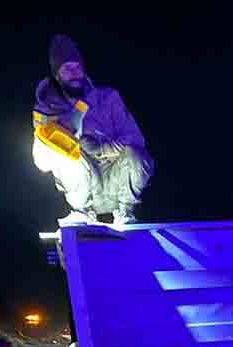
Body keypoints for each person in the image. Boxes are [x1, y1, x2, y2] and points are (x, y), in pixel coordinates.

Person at [32, 34, 153, 226]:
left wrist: (102, 148)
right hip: (83, 187)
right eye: (67, 68)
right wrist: (46, 140)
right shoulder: (47, 110)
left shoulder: (108, 98)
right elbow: (42, 164)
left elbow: (135, 138)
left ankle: (125, 214)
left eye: (78, 67)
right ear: (57, 75)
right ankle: (82, 213)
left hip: (116, 180)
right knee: (66, 154)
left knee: (137, 155)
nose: (75, 72)